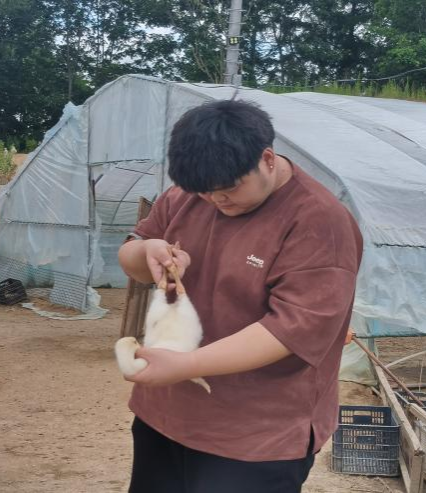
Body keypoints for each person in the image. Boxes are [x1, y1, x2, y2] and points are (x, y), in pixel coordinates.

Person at [117, 99, 363, 493]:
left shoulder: (318, 221)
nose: (216, 200)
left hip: (256, 433)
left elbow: (289, 330)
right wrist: (148, 251)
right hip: (166, 411)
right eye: (204, 192)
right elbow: (133, 255)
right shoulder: (187, 194)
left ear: (267, 159)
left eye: (229, 188)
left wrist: (187, 364)